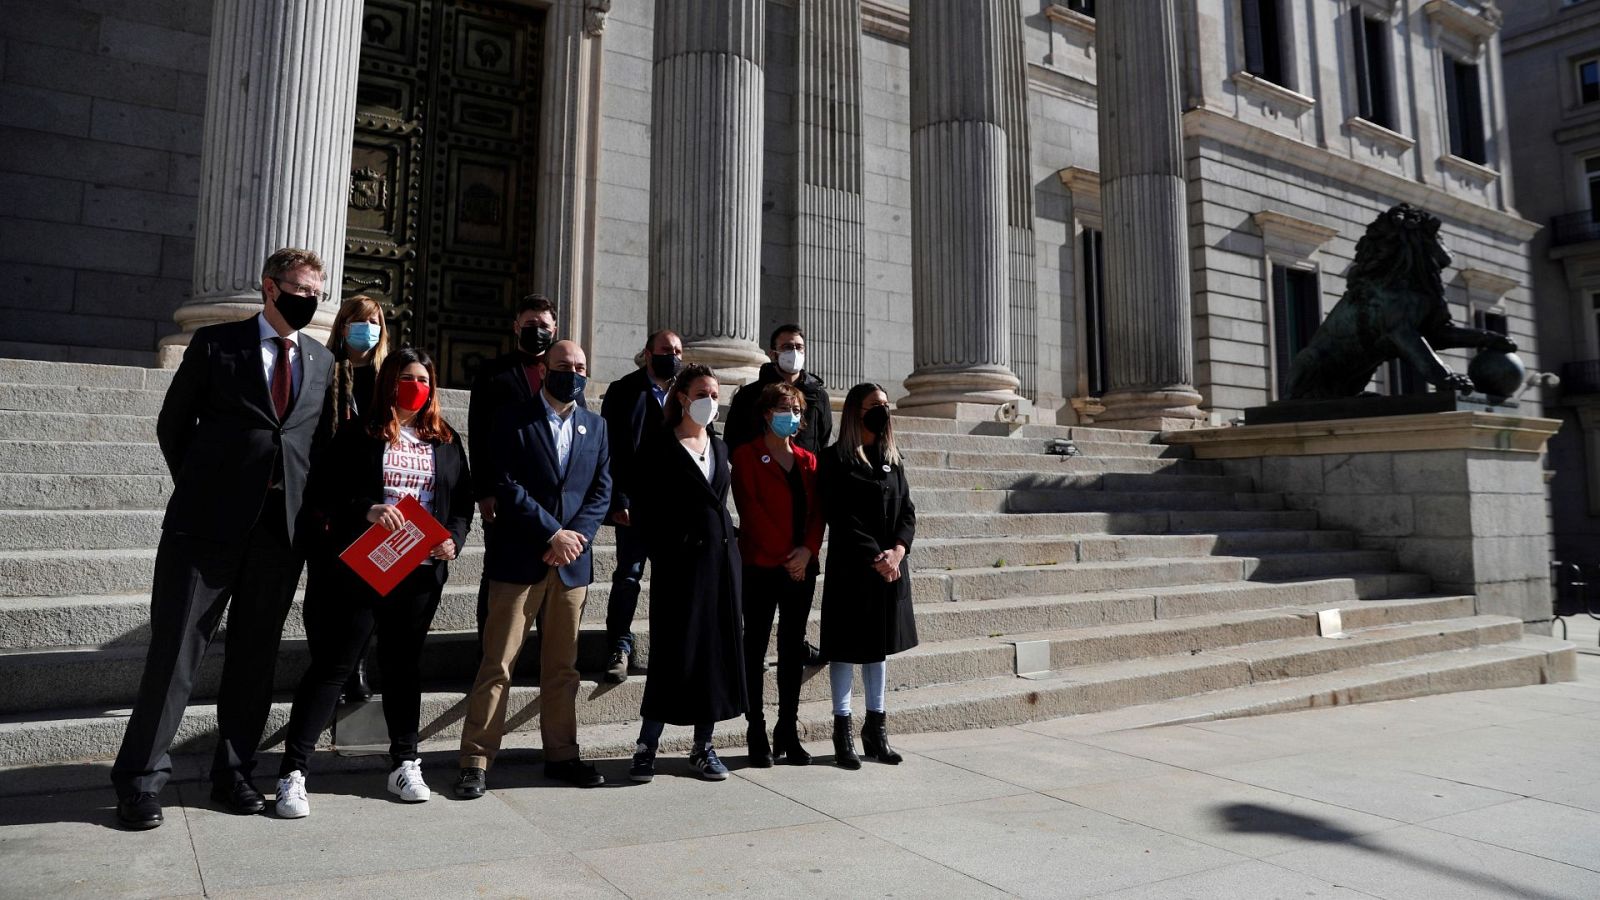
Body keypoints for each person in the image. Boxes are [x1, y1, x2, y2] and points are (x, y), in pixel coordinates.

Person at [110, 248, 334, 829]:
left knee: (254, 659)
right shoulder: (216, 344)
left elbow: (314, 445)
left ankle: (233, 774)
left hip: (278, 536)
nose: (310, 301)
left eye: (318, 293)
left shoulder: (321, 360)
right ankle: (140, 781)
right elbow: (173, 426)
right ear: (269, 287)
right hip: (204, 531)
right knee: (175, 654)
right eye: (301, 289)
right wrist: (205, 492)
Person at [274, 348, 473, 818]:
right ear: (388, 383)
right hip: (364, 568)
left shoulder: (445, 439)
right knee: (334, 666)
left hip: (420, 572)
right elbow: (322, 493)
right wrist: (367, 509)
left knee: (403, 667)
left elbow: (462, 504)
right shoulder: (359, 433)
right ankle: (292, 772)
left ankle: (405, 761)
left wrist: (453, 540)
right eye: (406, 377)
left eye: (423, 379)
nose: (416, 386)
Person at [456, 340, 612, 796]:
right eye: (564, 365)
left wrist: (573, 538)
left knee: (563, 668)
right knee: (498, 664)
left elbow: (601, 490)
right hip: (521, 559)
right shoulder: (512, 418)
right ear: (544, 370)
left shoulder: (596, 426)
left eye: (581, 367)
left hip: (571, 566)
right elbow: (505, 484)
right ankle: (475, 760)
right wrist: (552, 534)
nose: (574, 373)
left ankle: (562, 755)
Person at [627, 364, 745, 782]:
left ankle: (703, 746)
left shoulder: (720, 446)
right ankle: (647, 746)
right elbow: (644, 510)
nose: (709, 401)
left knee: (714, 653)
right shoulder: (659, 446)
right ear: (682, 397)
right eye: (701, 394)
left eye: (714, 395)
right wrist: (669, 549)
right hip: (679, 567)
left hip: (721, 563)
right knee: (672, 654)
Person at [467, 294, 579, 645]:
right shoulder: (493, 373)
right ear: (516, 327)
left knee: (554, 578)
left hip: (555, 498)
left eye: (543, 325)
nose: (537, 330)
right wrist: (484, 490)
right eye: (530, 324)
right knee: (499, 574)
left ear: (554, 329)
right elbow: (478, 433)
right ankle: (489, 649)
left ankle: (545, 652)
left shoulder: (568, 375)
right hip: (508, 494)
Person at [818, 383, 917, 770]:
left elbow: (907, 511)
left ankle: (876, 730)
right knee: (845, 649)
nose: (883, 411)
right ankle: (842, 730)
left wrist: (898, 551)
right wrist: (877, 555)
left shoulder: (892, 458)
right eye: (876, 405)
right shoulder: (835, 460)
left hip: (890, 570)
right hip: (853, 569)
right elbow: (840, 516)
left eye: (886, 405)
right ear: (855, 412)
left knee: (878, 649)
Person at [730, 383, 824, 767]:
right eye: (785, 408)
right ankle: (756, 728)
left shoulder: (808, 460)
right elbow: (750, 512)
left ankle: (787, 727)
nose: (792, 416)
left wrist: (808, 551)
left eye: (797, 410)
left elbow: (818, 512)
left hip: (801, 568)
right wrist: (788, 555)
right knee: (755, 647)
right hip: (761, 565)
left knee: (791, 647)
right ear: (768, 413)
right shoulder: (746, 456)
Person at [597, 328, 684, 682]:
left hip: (674, 506)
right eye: (665, 349)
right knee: (628, 576)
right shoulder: (623, 390)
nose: (672, 356)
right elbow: (610, 449)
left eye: (677, 351)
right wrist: (619, 499)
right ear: (648, 353)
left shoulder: (685, 392)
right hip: (635, 505)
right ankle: (619, 644)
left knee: (671, 579)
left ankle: (668, 647)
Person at [320, 294, 389, 703]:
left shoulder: (386, 378)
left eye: (375, 321)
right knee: (329, 587)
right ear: (344, 326)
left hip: (375, 496)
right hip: (332, 495)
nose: (368, 328)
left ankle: (357, 665)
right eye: (360, 321)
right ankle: (330, 664)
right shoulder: (323, 369)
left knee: (369, 589)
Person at [723, 324, 833, 455]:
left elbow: (823, 439)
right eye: (787, 347)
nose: (794, 352)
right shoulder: (749, 395)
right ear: (773, 354)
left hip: (804, 466)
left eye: (799, 347)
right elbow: (733, 440)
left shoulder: (818, 395)